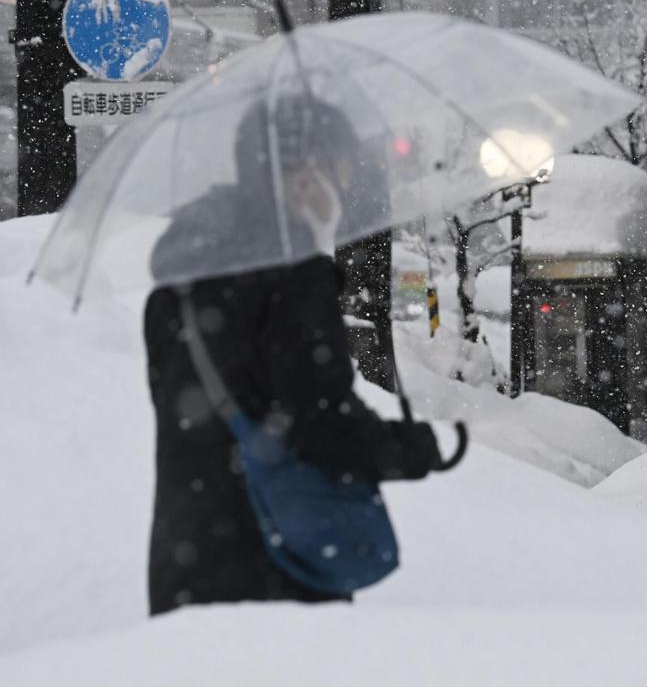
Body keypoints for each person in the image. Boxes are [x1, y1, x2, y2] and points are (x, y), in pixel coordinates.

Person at [143, 97, 453, 616]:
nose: (342, 188)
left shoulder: (176, 284)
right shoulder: (293, 277)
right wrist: (406, 448)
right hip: (276, 558)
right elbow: (318, 421)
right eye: (340, 171)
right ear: (306, 173)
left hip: (187, 557)